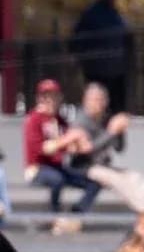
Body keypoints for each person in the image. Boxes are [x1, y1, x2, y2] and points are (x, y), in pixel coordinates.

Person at [22, 79, 100, 228]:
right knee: (57, 179)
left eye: (53, 96)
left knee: (93, 182)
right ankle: (54, 217)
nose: (49, 100)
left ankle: (76, 215)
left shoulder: (60, 120)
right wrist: (69, 139)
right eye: (45, 96)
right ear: (39, 98)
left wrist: (82, 144)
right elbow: (43, 149)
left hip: (58, 167)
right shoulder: (34, 119)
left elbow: (71, 146)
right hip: (36, 168)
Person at [71, 83, 144, 214]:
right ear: (85, 100)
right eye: (95, 99)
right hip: (82, 166)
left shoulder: (106, 119)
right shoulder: (80, 121)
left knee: (135, 177)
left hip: (103, 165)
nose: (99, 103)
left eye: (102, 99)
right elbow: (86, 150)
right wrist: (111, 132)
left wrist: (120, 131)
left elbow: (119, 149)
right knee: (116, 179)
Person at [70, 0, 130, 114]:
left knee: (114, 107)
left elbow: (126, 37)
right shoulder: (92, 14)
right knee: (97, 106)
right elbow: (77, 39)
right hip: (96, 71)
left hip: (115, 71)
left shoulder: (115, 15)